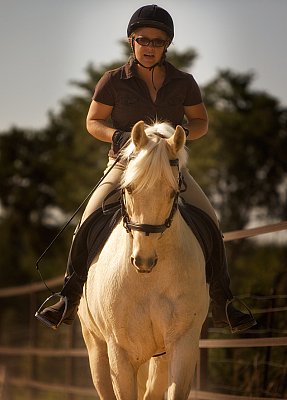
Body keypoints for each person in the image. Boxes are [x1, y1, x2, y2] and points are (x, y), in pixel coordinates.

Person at [35, 5, 256, 333]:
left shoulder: (184, 82)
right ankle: (68, 297)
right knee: (86, 222)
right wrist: (119, 136)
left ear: (167, 45)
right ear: (131, 41)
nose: (150, 47)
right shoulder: (112, 80)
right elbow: (92, 122)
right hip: (123, 164)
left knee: (211, 220)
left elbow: (201, 122)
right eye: (143, 40)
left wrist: (174, 138)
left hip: (168, 164)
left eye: (158, 41)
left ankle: (223, 302)